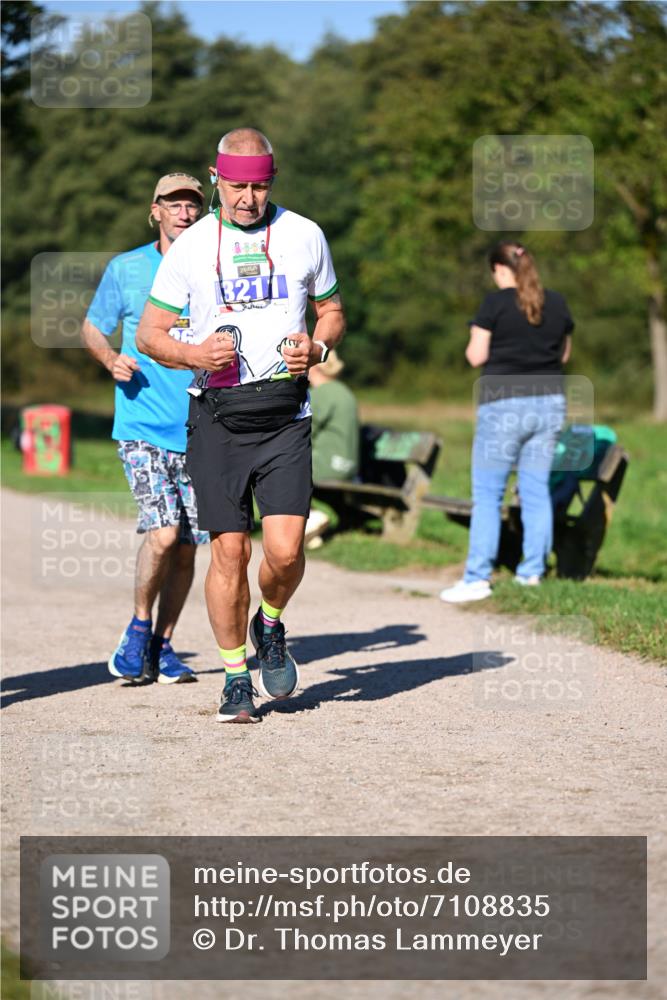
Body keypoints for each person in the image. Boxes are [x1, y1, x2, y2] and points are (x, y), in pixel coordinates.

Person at [136, 128, 345, 723]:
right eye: (235, 187)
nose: (247, 199)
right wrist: (194, 354)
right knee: (230, 552)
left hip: (286, 417)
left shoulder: (305, 234)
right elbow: (150, 335)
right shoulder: (192, 247)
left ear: (271, 181)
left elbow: (331, 311)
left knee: (285, 552)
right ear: (215, 179)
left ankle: (269, 624)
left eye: (259, 187)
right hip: (218, 419)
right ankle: (234, 679)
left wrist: (318, 347)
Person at [82, 173, 210, 683]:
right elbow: (93, 327)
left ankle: (163, 644)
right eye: (173, 204)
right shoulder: (127, 267)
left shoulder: (213, 266)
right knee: (164, 533)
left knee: (188, 545)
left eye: (192, 204)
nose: (184, 212)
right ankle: (138, 629)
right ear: (154, 210)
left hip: (203, 428)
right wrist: (109, 359)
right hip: (142, 424)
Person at [440, 241, 573, 603]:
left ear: (500, 269)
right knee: (535, 490)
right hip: (550, 403)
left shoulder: (494, 304)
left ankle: (477, 578)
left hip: (504, 404)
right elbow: (564, 354)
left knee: (488, 494)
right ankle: (532, 573)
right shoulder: (556, 302)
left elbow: (476, 355)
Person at [305, 349, 359, 546]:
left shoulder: (321, 394)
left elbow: (304, 431)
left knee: (273, 467)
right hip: (347, 466)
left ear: (315, 366)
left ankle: (312, 517)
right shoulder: (344, 392)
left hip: (326, 466)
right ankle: (309, 533)